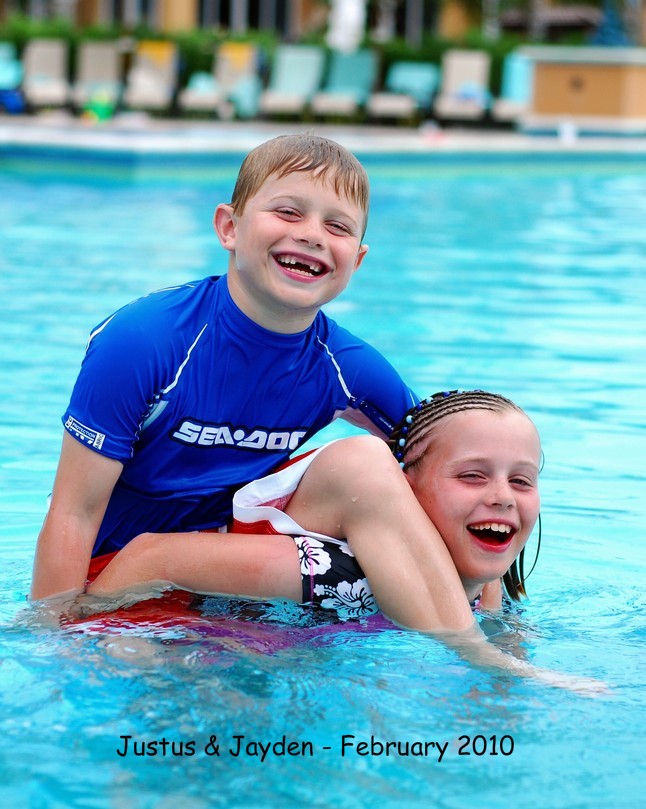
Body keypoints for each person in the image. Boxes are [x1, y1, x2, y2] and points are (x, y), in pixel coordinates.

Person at [31, 132, 435, 612]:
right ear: (229, 228)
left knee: (369, 467)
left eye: (337, 226)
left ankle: (476, 634)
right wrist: (56, 629)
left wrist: (492, 601)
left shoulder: (345, 365)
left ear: (357, 260)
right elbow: (74, 512)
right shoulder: (145, 340)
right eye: (288, 212)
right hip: (118, 574)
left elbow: (447, 467)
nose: (312, 234)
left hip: (228, 567)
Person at [86, 390, 542, 624]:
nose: (502, 496)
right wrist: (91, 636)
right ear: (403, 488)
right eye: (471, 476)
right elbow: (152, 557)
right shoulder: (335, 571)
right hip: (162, 627)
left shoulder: (484, 579)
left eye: (521, 480)